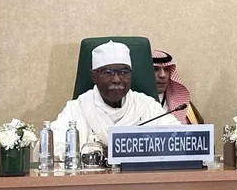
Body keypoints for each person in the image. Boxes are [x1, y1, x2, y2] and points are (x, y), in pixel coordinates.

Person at [51, 41, 179, 158]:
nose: (117, 79)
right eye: (108, 72)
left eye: (123, 72)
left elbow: (178, 137)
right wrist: (96, 152)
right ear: (94, 76)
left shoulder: (146, 105)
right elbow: (53, 146)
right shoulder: (78, 108)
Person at [151, 49, 204, 124]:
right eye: (155, 69)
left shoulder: (182, 105)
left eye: (166, 69)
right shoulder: (135, 103)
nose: (163, 75)